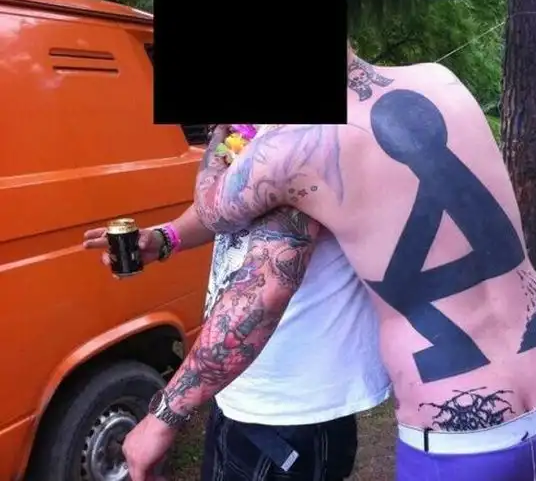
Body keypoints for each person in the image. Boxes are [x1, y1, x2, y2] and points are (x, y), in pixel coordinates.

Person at [120, 45, 536, 480]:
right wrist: (167, 237)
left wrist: (220, 135)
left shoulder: (292, 148)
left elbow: (215, 209)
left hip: (459, 426)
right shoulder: (441, 80)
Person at [83, 165, 391, 481]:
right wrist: (166, 237)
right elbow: (220, 203)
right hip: (238, 387)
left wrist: (164, 415)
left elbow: (265, 287)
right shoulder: (248, 141)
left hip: (291, 407)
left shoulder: (305, 149)